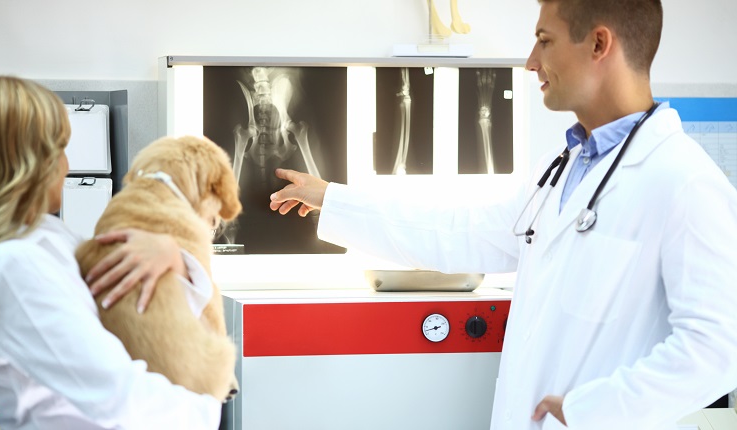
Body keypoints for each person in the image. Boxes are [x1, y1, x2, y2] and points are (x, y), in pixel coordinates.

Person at [269, 0, 737, 428]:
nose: (532, 61)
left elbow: (718, 350)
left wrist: (591, 409)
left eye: (545, 40)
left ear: (599, 43)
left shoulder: (685, 183)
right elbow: (462, 231)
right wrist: (333, 199)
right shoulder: (560, 167)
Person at [0, 76, 222, 429]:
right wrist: (205, 406)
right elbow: (116, 398)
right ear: (28, 163)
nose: (68, 166)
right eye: (59, 149)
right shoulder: (15, 263)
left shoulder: (50, 237)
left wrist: (172, 257)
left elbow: (134, 311)